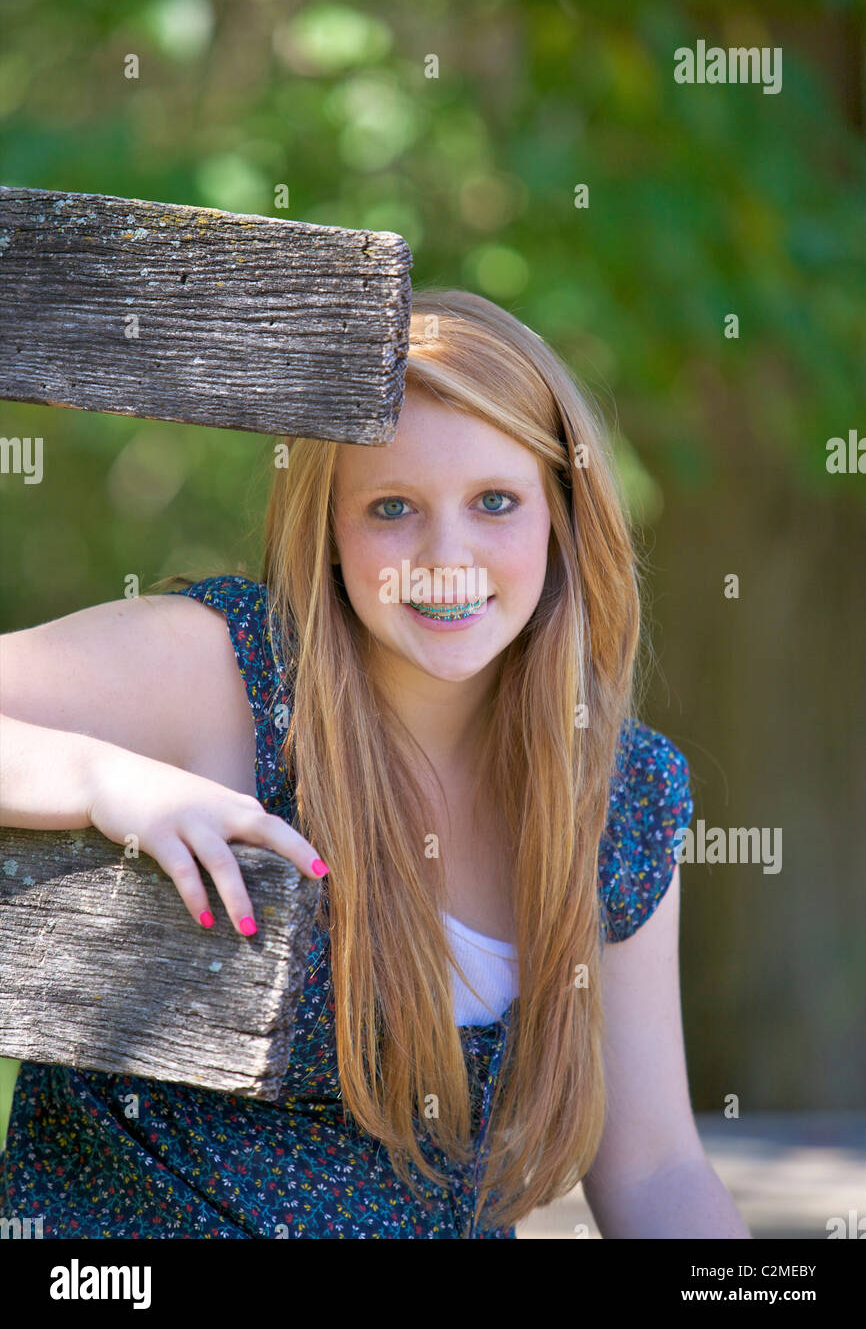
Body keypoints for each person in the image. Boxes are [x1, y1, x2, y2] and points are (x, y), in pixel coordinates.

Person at [0, 289, 749, 1238]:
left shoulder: (617, 791)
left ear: (562, 517)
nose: (447, 555)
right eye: (392, 508)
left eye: (496, 502)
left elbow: (654, 1168)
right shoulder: (229, 674)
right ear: (330, 533)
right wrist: (104, 781)